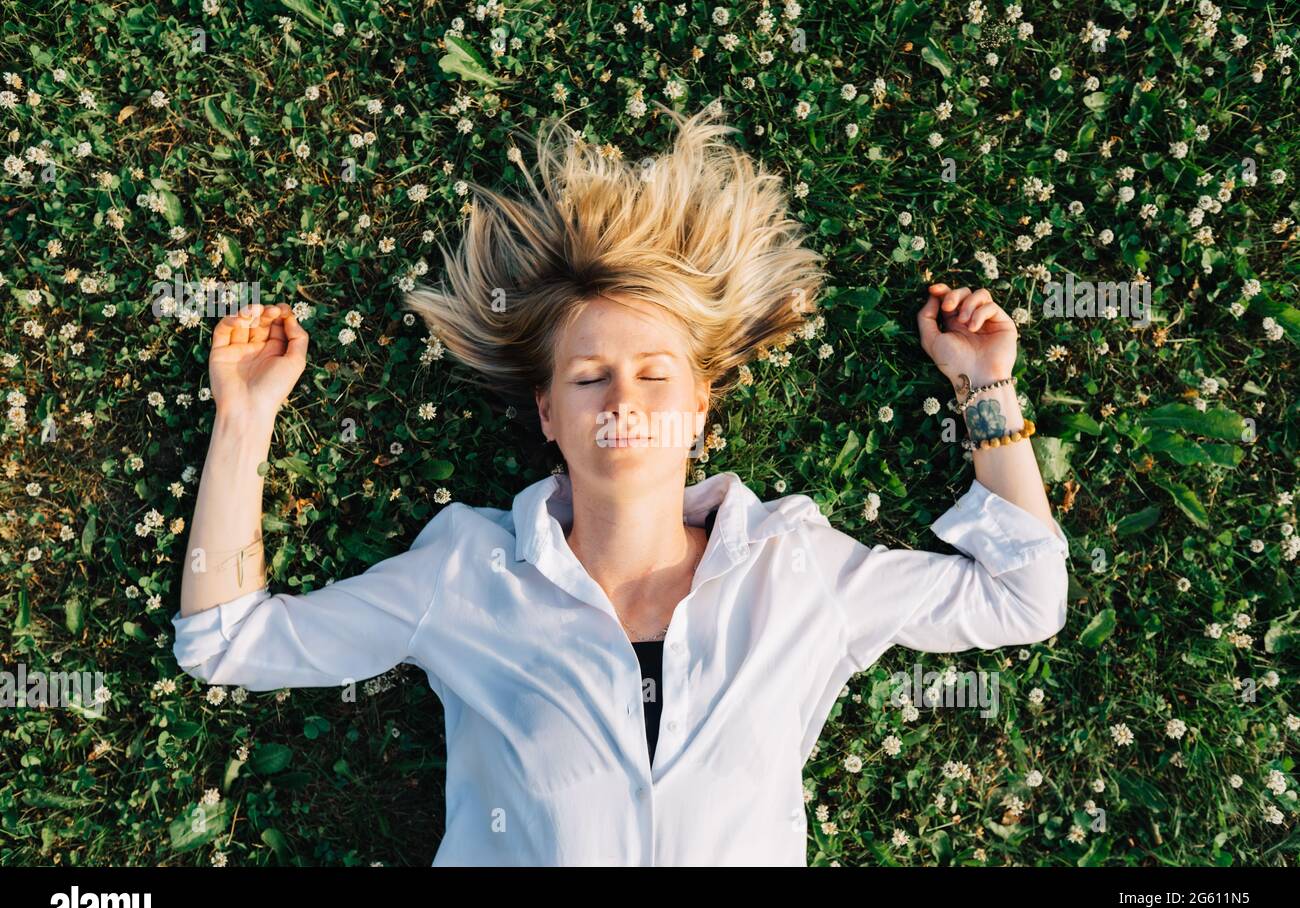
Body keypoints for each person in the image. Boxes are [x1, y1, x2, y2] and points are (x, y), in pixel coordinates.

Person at [171, 102, 1069, 866]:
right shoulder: (466, 576)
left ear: (701, 405)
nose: (623, 402)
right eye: (589, 377)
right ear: (549, 415)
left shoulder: (797, 572)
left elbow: (1025, 597)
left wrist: (983, 388)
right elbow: (227, 640)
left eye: (655, 375)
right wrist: (244, 420)